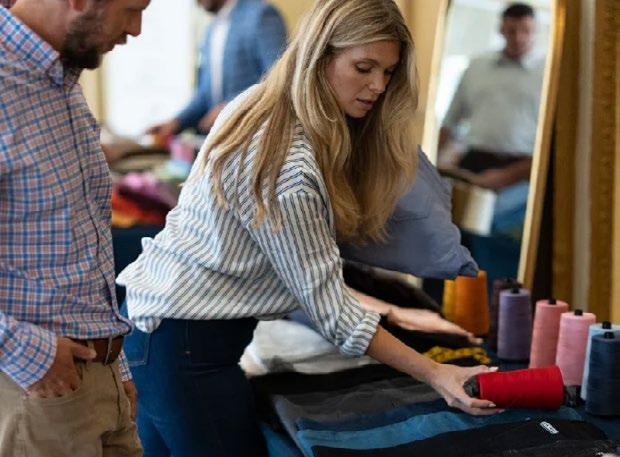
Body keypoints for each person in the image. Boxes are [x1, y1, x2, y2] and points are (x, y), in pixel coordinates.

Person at [118, 0, 500, 455]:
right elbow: (331, 311)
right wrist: (438, 374)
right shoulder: (288, 170)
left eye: (388, 72)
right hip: (183, 346)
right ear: (320, 56)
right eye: (364, 68)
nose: (378, 86)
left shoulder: (257, 103)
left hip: (158, 329)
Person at [0, 1, 151, 456]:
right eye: (131, 9)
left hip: (99, 377)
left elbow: (84, 248)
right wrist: (28, 354)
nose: (136, 29)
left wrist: (116, 366)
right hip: (35, 390)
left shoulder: (59, 80)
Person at [439, 2, 544, 237]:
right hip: (473, 164)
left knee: (490, 229)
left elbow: (551, 144)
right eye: (512, 30)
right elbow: (451, 121)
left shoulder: (547, 74)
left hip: (522, 172)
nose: (518, 38)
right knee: (446, 228)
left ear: (535, 31)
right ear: (501, 30)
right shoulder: (477, 67)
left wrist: (507, 176)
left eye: (526, 31)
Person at [147, 0, 287, 137]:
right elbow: (205, 93)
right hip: (221, 140)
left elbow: (278, 78)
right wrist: (176, 123)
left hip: (254, 137)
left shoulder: (262, 14)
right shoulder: (211, 29)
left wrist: (229, 109)